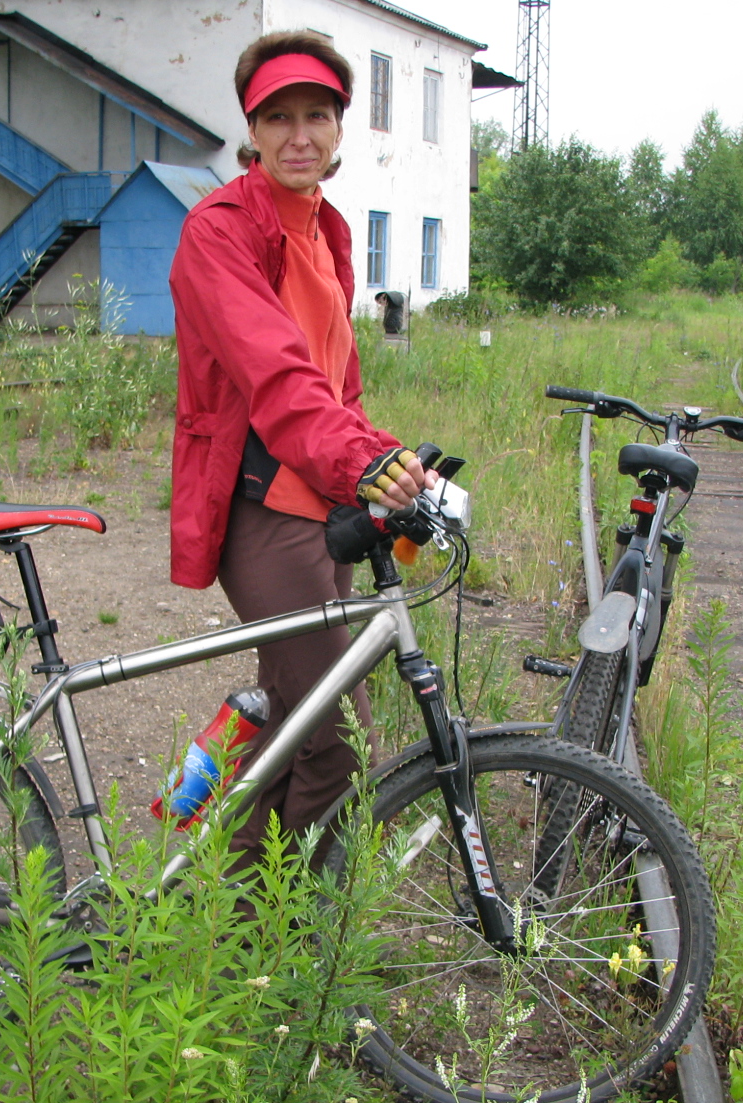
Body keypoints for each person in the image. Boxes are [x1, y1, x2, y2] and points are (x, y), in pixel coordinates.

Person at [167, 30, 437, 864]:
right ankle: (295, 915)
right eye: (278, 118)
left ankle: (241, 907)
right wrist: (361, 463)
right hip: (262, 508)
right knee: (341, 738)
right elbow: (277, 376)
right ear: (252, 129)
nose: (299, 136)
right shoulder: (219, 231)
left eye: (316, 115)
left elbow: (335, 386)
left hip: (325, 505)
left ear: (339, 127)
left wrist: (389, 460)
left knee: (291, 724)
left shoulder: (328, 231)